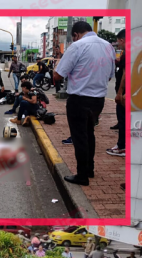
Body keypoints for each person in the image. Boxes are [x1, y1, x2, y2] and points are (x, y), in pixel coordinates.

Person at [53, 21, 115, 186]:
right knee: (90, 134)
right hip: (98, 101)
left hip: (79, 100)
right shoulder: (108, 46)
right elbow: (109, 76)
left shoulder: (77, 46)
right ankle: (89, 169)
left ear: (75, 34)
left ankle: (82, 176)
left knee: (80, 137)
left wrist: (60, 60)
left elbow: (57, 76)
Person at [108, 29, 126, 158]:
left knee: (123, 120)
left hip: (125, 94)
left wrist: (120, 93)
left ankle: (122, 147)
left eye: (118, 42)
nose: (118, 45)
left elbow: (126, 74)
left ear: (122, 40)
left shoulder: (128, 53)